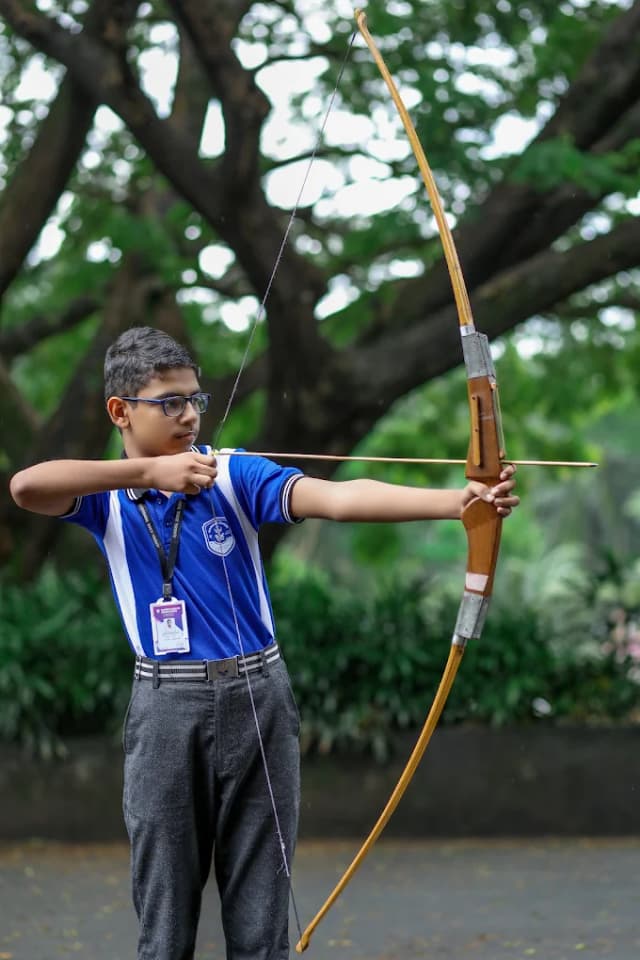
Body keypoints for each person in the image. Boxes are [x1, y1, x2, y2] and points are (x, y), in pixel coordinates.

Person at [9, 326, 519, 960]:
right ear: (121, 412)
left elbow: (336, 497)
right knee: (164, 920)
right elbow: (27, 486)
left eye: (195, 398)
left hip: (258, 695)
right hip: (166, 706)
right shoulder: (107, 495)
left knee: (260, 918)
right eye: (169, 401)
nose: (190, 414)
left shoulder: (233, 474)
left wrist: (458, 503)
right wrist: (149, 470)